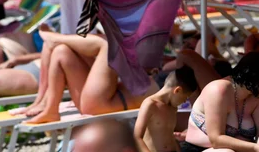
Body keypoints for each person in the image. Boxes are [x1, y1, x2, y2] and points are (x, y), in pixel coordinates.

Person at [18, 33, 158, 124]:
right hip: (99, 101)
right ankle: (50, 109)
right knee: (62, 51)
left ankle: (53, 38)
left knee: (108, 46)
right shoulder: (169, 77)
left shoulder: (172, 83)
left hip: (101, 103)